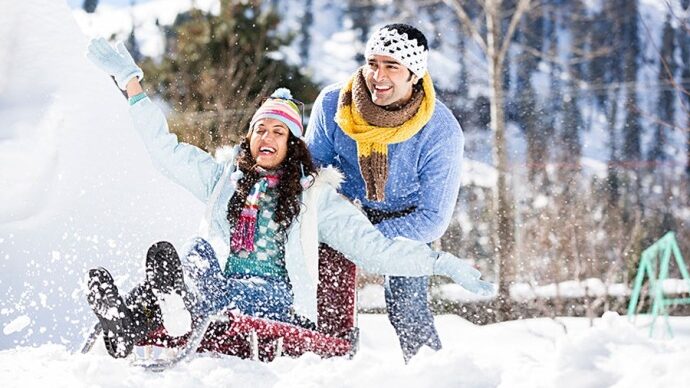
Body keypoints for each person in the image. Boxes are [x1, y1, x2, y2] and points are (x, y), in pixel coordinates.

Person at [83, 37, 492, 359]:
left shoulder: (316, 199)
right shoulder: (222, 180)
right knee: (192, 256)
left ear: (292, 145)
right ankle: (130, 322)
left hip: (270, 298)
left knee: (187, 277)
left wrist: (442, 264)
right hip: (216, 284)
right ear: (248, 138)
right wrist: (132, 85)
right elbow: (164, 151)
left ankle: (167, 307)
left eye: (278, 133)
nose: (267, 137)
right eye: (261, 129)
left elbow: (377, 252)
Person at [305, 24, 467, 362]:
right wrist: (340, 227)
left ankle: (431, 375)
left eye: (392, 66)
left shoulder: (440, 130)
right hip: (340, 210)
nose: (378, 76)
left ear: (414, 74)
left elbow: (433, 219)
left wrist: (369, 237)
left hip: (407, 221)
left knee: (406, 304)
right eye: (372, 63)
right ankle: (324, 369)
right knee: (322, 298)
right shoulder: (334, 103)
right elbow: (309, 175)